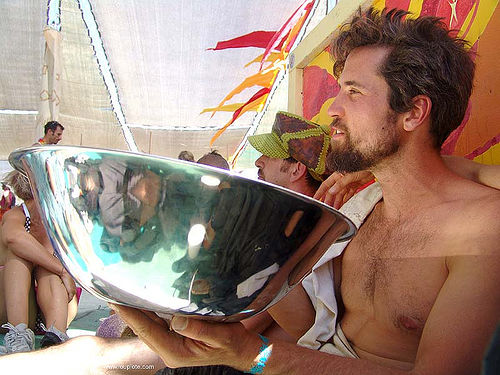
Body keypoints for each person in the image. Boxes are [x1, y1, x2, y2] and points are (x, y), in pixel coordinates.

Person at [1, 7, 499, 375]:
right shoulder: (362, 206)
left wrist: (251, 356)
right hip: (288, 362)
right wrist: (252, 244)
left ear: (414, 112)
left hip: (275, 365)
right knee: (83, 359)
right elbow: (309, 324)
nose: (332, 110)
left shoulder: (482, 229)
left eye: (353, 92)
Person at [0, 170, 77, 353]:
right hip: (12, 311)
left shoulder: (59, 222)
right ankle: (18, 336)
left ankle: (56, 337)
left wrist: (58, 270)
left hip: (51, 308)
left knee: (47, 267)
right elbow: (14, 238)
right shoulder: (15, 216)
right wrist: (62, 271)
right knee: (18, 257)